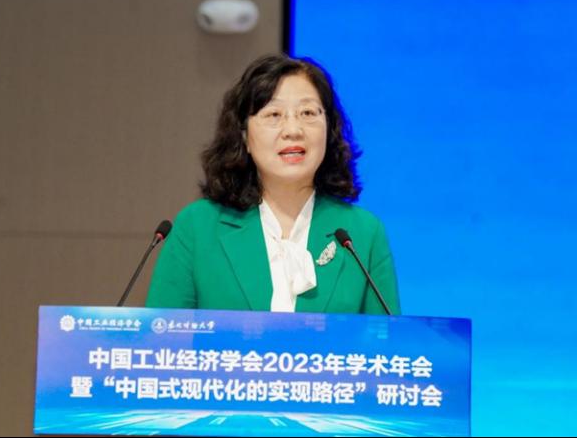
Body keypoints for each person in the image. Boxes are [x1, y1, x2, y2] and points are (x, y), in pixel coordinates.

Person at [146, 54, 400, 314]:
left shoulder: (363, 233)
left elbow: (387, 338)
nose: (293, 130)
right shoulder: (197, 228)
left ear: (329, 128)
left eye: (308, 113)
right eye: (274, 114)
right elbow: (160, 334)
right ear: (244, 136)